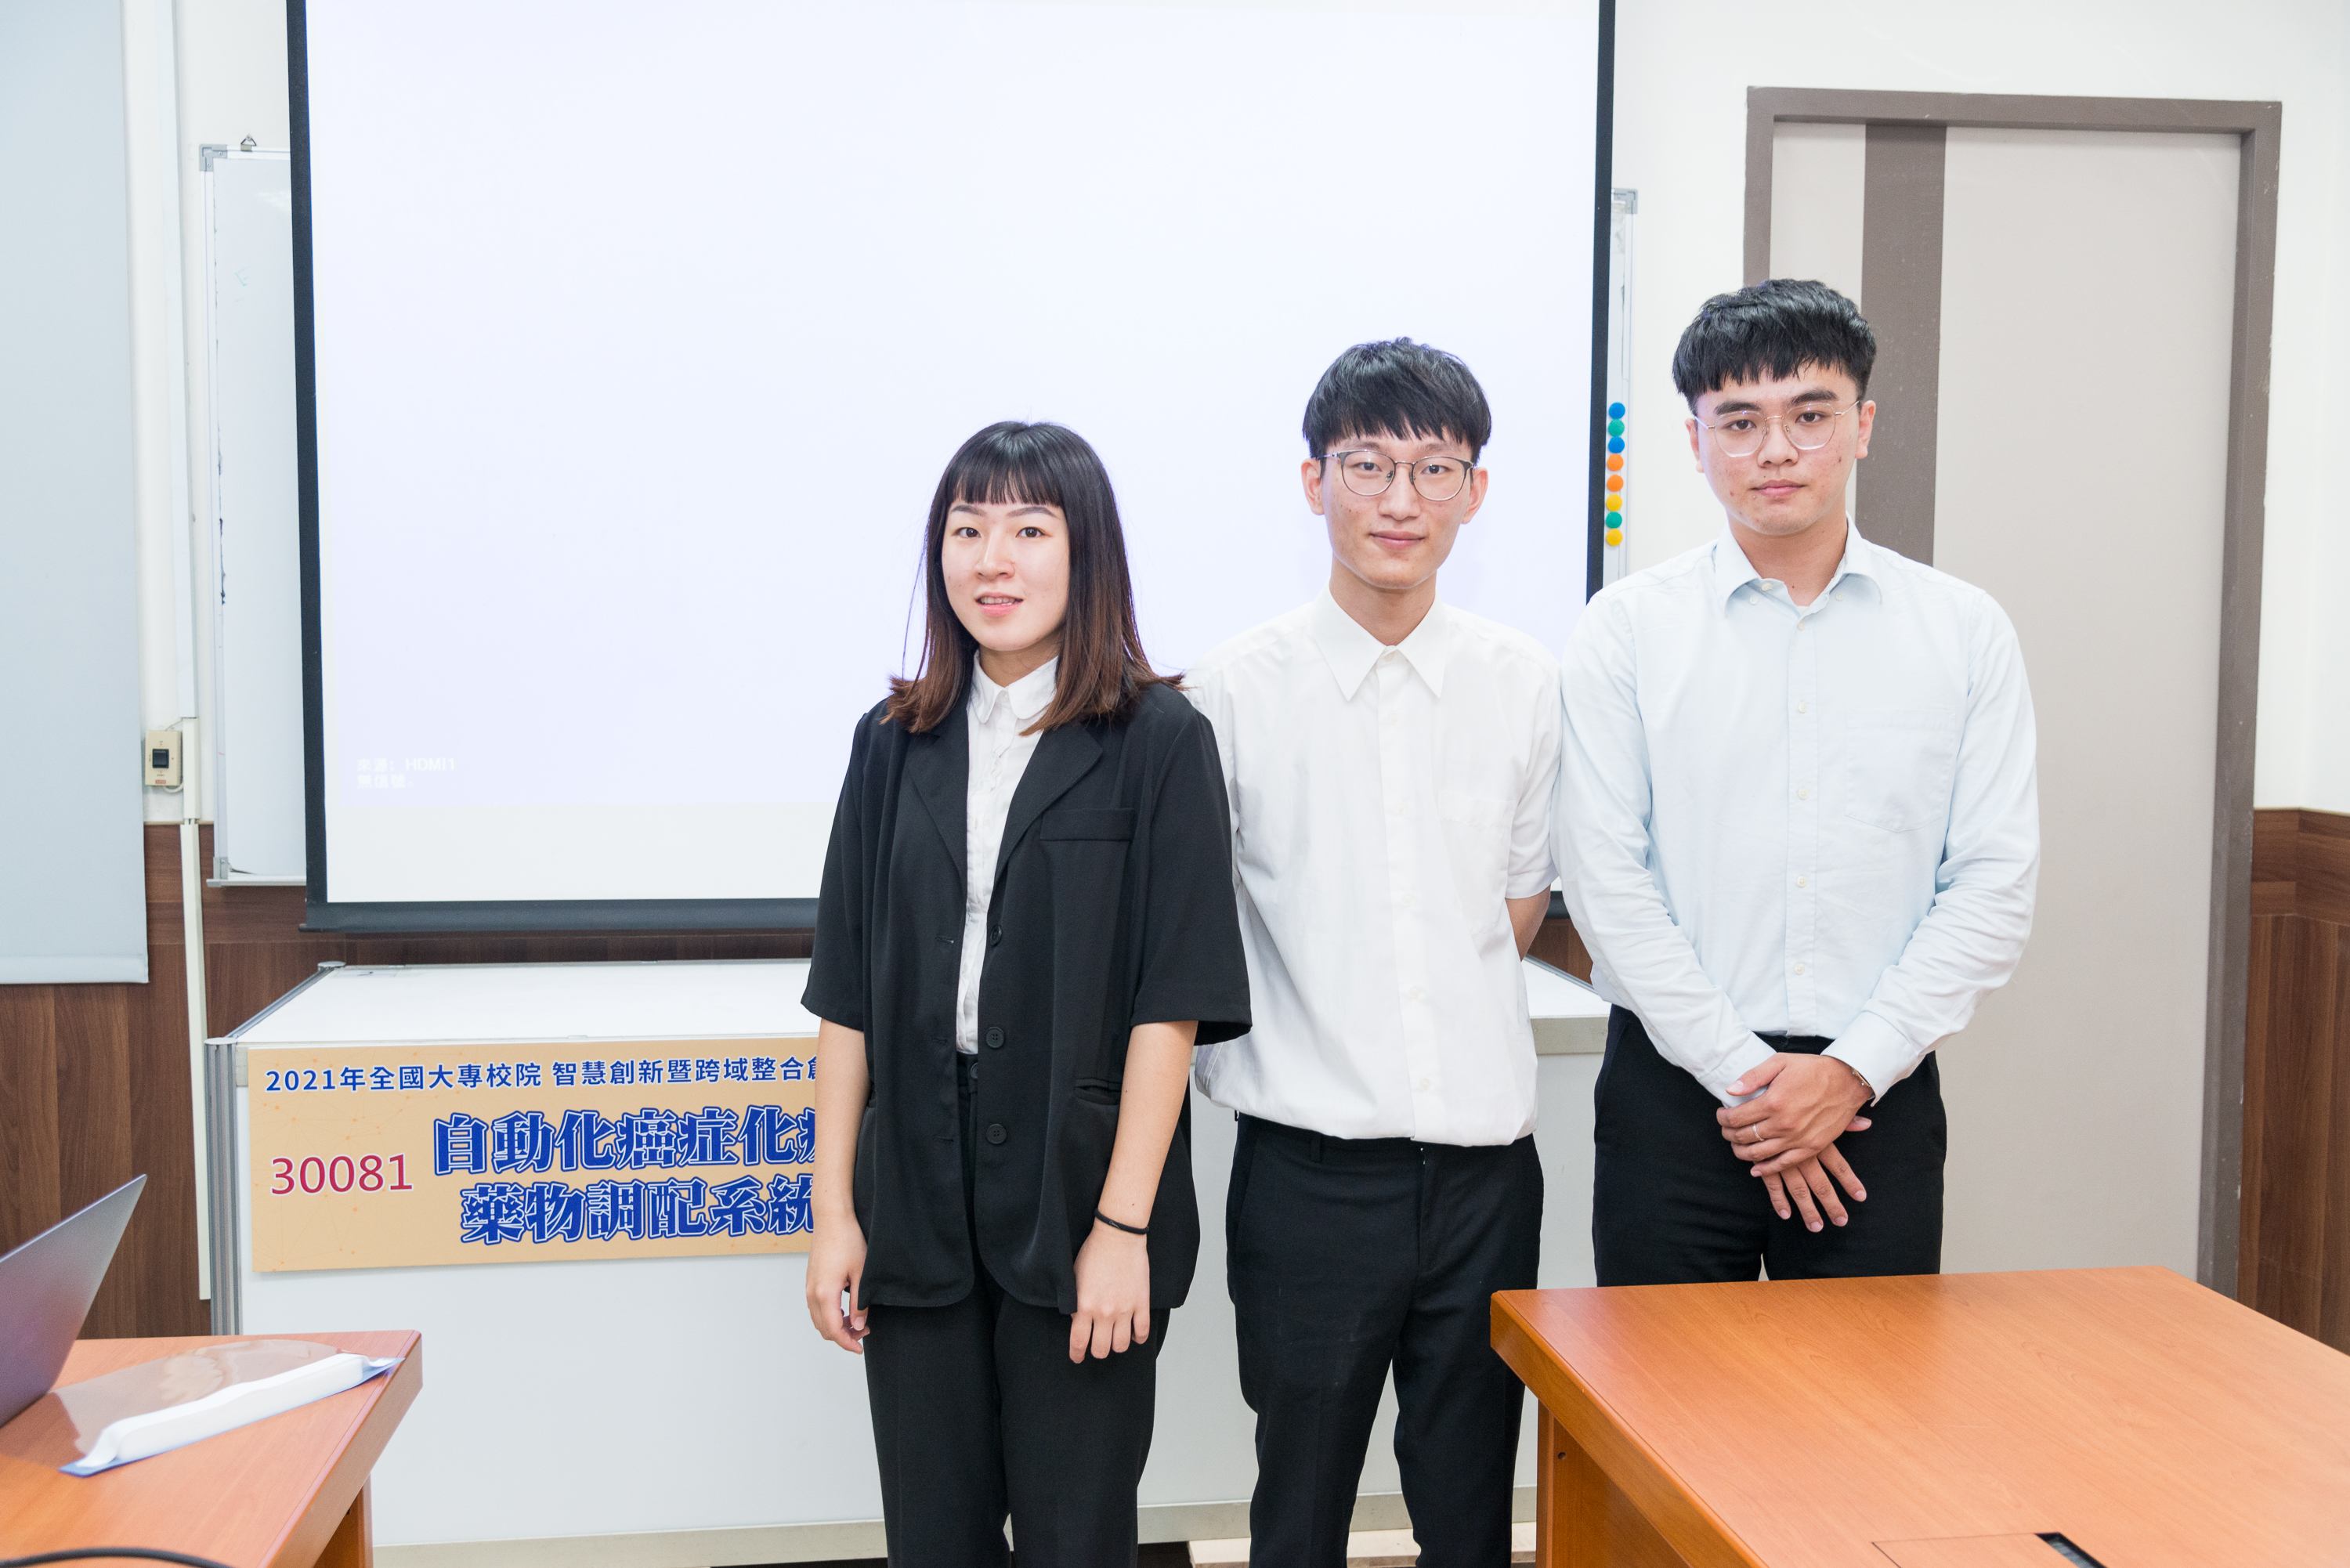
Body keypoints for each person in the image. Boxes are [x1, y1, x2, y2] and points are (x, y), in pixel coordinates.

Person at [800, 421, 1250, 1566]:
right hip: (915, 1190)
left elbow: (1170, 1005)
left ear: (1085, 551)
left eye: (1029, 530)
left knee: (1073, 1536)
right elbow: (846, 996)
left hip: (1081, 1194)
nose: (992, 560)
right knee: (933, 1540)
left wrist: (1122, 1228)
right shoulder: (890, 742)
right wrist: (834, 1213)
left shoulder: (1159, 739)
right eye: (967, 531)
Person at [1556, 279, 2039, 1285]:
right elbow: (1605, 881)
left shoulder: (1962, 631)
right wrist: (1754, 1084)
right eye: (1740, 421)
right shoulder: (1627, 630)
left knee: (1865, 1388)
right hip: (1673, 1098)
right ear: (1696, 441)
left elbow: (1993, 883)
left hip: (1874, 1099)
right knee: (1661, 1386)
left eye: (1809, 415)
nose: (1775, 449)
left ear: (1862, 426)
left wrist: (1849, 1072)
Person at [1185, 340, 1560, 1568]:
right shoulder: (1230, 693)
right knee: (1299, 1505)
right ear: (1315, 481)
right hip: (1309, 1173)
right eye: (1368, 465)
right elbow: (1198, 928)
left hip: (1486, 1173)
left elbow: (1518, 906)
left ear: (1475, 490)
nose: (1402, 498)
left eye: (1434, 467)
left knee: (1471, 1505)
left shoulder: (1523, 683)